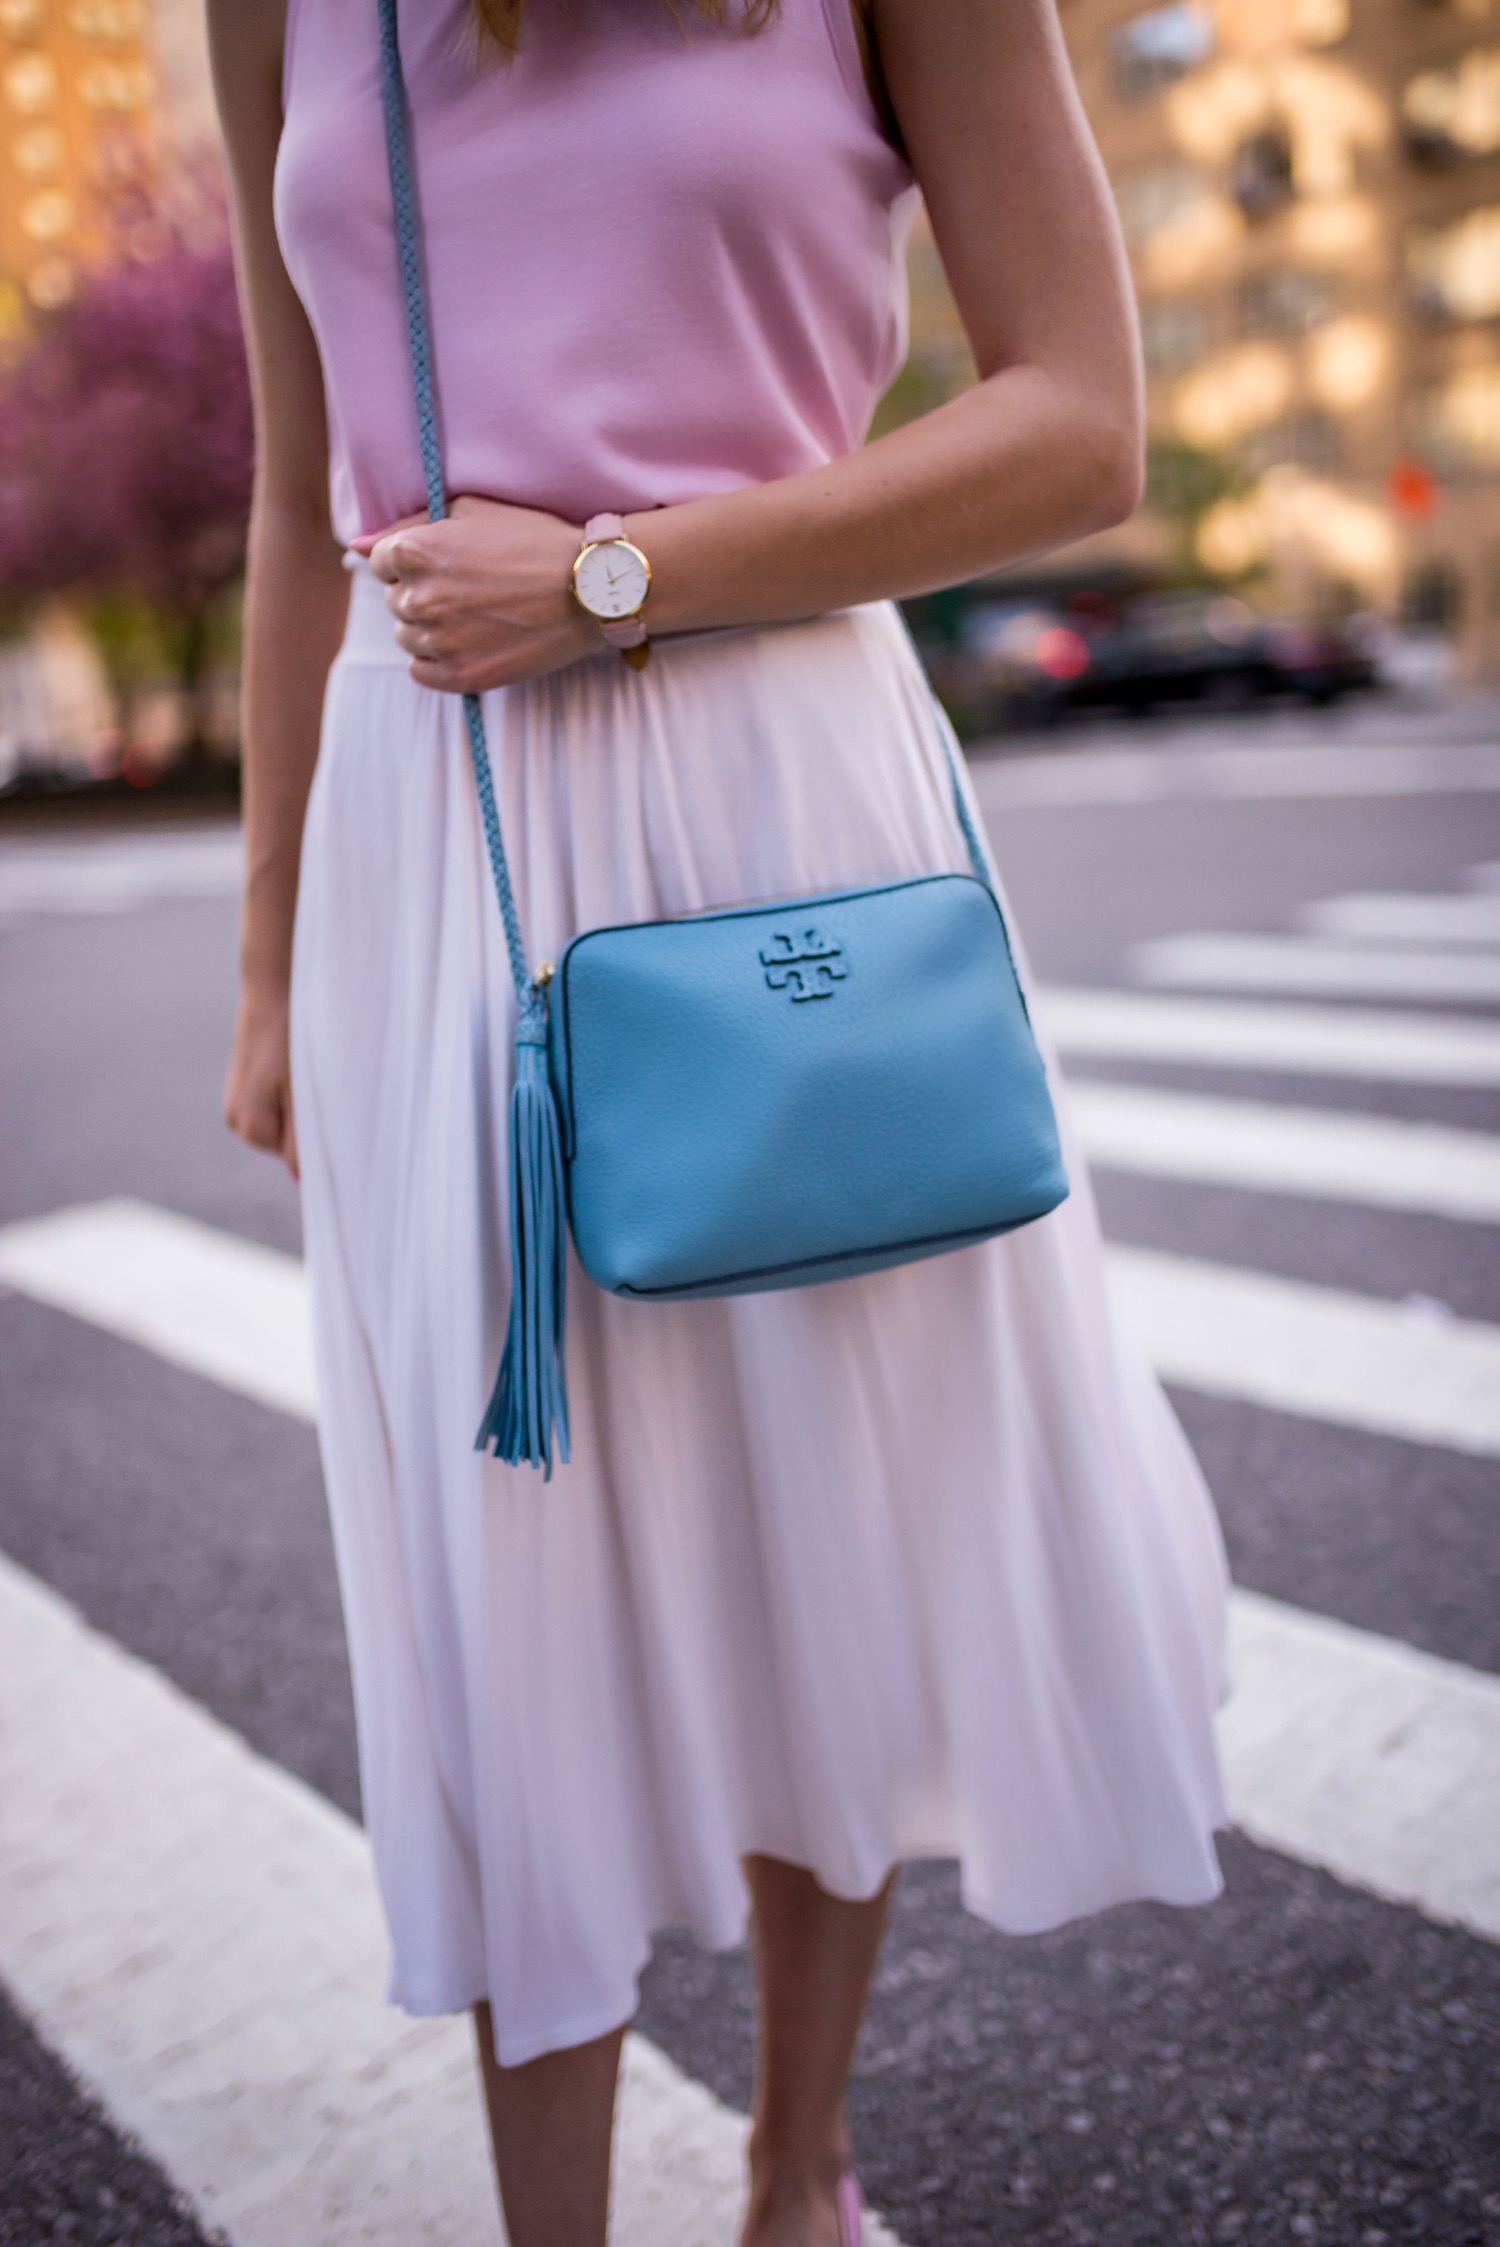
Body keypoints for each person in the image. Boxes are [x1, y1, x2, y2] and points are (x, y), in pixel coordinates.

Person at [210, 2, 1230, 2243]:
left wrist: (616, 574)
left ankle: (797, 2174)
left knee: (817, 1506)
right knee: (508, 1561)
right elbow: (302, 497)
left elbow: (1080, 426)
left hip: (774, 773)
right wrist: (276, 946)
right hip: (433, 810)